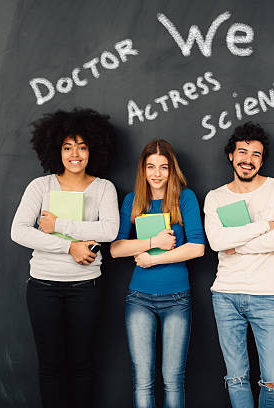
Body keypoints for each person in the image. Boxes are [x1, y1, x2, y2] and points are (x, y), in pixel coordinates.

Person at [10, 108, 118, 408]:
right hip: (43, 287)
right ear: (55, 149)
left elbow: (110, 230)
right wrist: (69, 246)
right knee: (51, 365)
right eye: (67, 147)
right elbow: (18, 231)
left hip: (86, 288)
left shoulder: (103, 187)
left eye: (82, 147)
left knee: (82, 363)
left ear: (93, 150)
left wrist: (59, 226)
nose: (75, 154)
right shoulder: (40, 186)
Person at [203, 122, 274, 408]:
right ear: (231, 155)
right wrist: (262, 226)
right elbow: (217, 242)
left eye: (256, 154)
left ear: (262, 160)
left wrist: (237, 246)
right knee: (236, 378)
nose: (248, 159)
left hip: (268, 295)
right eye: (242, 152)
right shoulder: (215, 197)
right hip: (226, 295)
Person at [110, 139, 205, 408]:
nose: (157, 174)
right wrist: (153, 243)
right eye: (151, 167)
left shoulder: (184, 197)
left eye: (163, 167)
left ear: (171, 169)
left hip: (177, 298)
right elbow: (116, 248)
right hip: (139, 298)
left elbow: (197, 248)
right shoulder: (132, 200)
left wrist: (155, 259)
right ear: (143, 169)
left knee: (173, 378)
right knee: (142, 379)